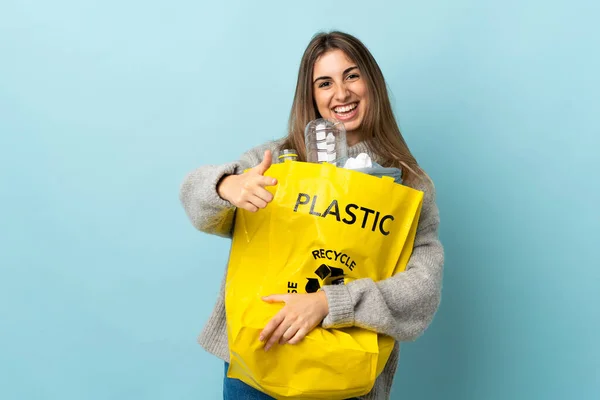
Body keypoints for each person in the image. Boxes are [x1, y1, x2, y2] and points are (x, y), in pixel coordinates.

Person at [179, 31, 444, 400]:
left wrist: (328, 302)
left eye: (352, 75)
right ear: (312, 96)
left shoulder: (408, 186)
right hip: (258, 359)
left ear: (372, 82)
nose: (341, 94)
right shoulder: (277, 161)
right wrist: (227, 186)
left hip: (343, 376)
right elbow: (193, 193)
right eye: (325, 83)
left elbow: (423, 290)